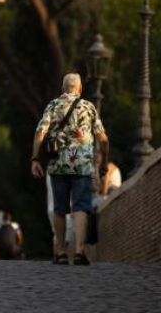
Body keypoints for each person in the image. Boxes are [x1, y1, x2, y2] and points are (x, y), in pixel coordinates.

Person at [31, 72, 108, 266]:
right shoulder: (88, 107)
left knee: (59, 208)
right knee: (81, 207)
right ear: (79, 89)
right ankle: (80, 251)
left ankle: (61, 252)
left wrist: (35, 158)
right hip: (82, 165)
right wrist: (104, 161)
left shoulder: (53, 105)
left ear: (63, 88)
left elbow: (40, 132)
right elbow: (103, 139)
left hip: (58, 164)